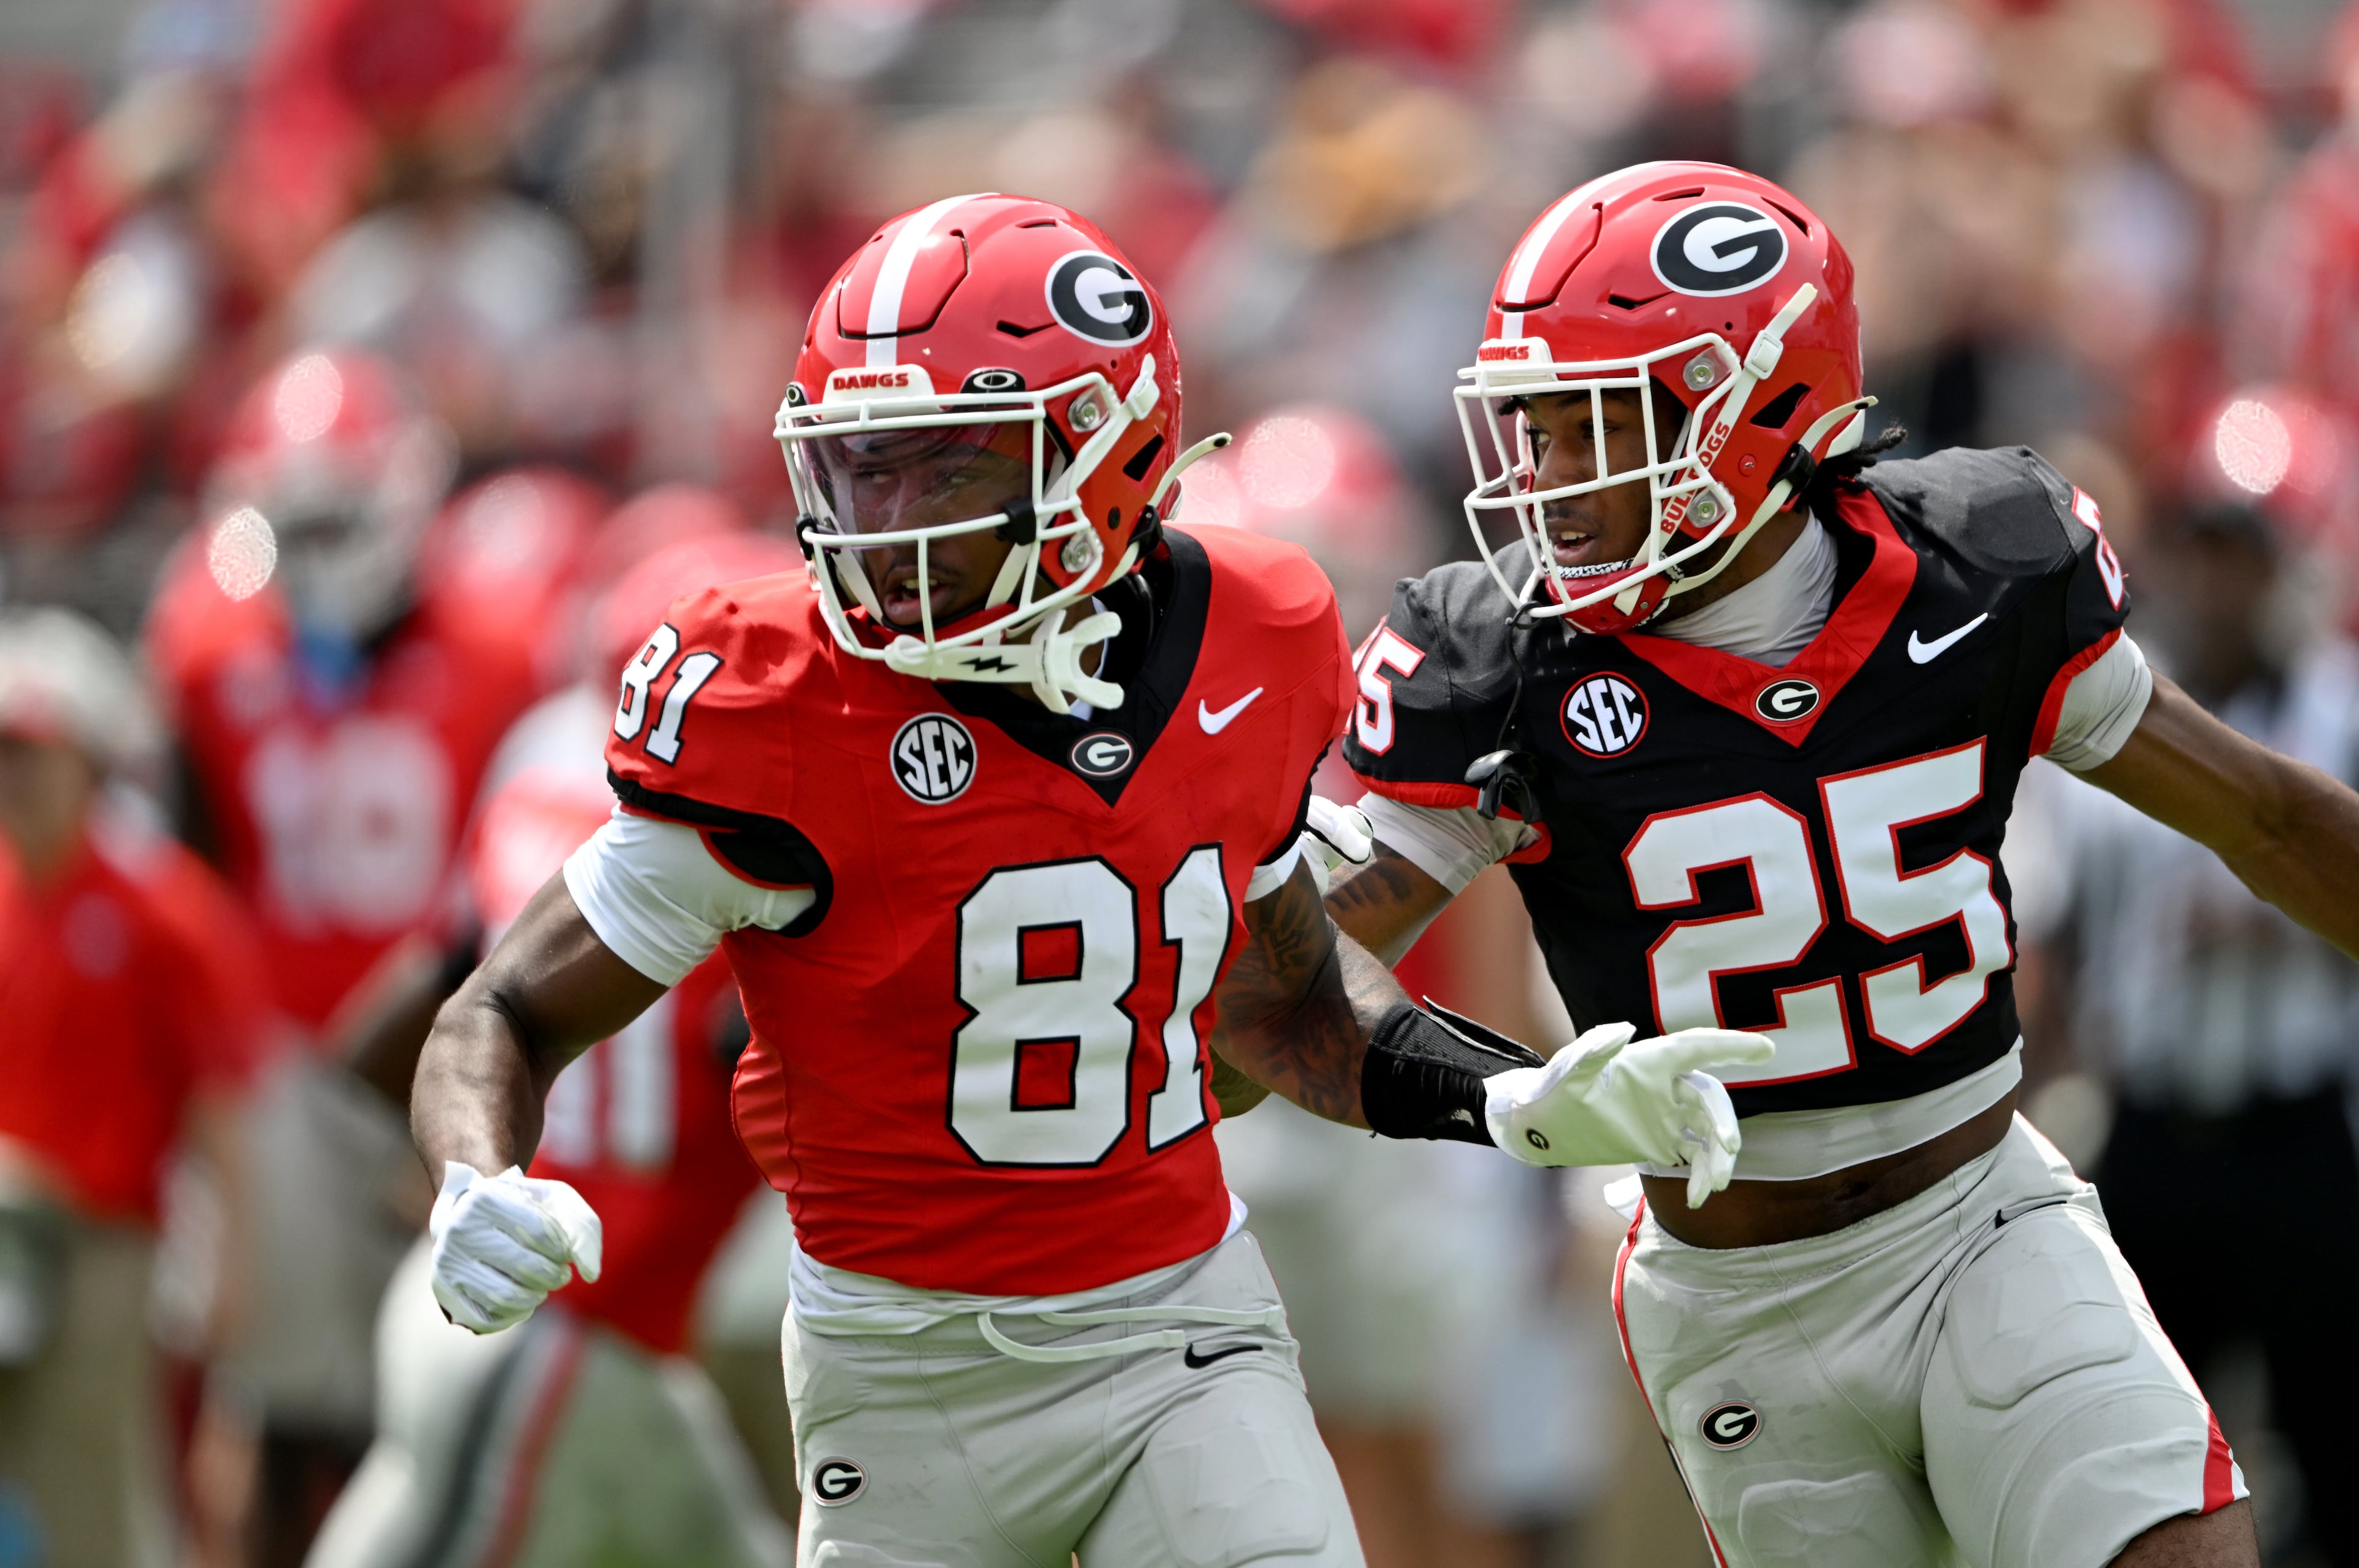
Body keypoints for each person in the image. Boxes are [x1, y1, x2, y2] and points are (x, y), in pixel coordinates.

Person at [404, 193, 1773, 1568]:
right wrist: (473, 1177)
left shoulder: (1259, 629)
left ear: (1103, 457)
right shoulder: (774, 699)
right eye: (859, 465)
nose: (880, 522)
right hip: (898, 1368)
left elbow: (1279, 1016)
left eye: (940, 470)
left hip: (1178, 1320)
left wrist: (1508, 1098)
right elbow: (502, 1011)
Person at [1318, 160, 2359, 1568]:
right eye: (1537, 429)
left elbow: (2266, 817)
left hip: (1984, 1215)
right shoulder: (1501, 666)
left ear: (1764, 413)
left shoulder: (1977, 570)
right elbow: (1288, 981)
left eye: (1599, 428)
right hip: (1736, 1293)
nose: (1552, 481)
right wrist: (1497, 1092)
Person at [143, 349, 592, 1556]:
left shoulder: (503, 644)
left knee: (458, 1373)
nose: (317, 546)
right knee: (282, 1395)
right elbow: (194, 868)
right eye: (294, 520)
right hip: (284, 1060)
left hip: (449, 1041)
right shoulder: (208, 636)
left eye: (339, 514)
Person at [307, 525, 800, 1568]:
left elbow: (409, 1012)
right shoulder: (765, 856)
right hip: (572, 1343)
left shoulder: (539, 771)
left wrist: (441, 1178)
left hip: (493, 1305)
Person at [2013, 495, 2359, 1565]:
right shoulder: (2112, 706)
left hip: (2298, 1126)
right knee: (2140, 1452)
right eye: (2202, 558)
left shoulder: (2341, 710)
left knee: (2338, 1444)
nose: (2219, 590)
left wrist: (2285, 919)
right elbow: (2058, 935)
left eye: (2240, 562)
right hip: (2155, 1126)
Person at [0, 608, 265, 1568]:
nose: (15, 777)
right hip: (8, 1225)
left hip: (103, 1246)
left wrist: (231, 1265)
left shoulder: (160, 905)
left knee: (91, 1498)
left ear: (92, 756)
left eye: (34, 751)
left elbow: (221, 1101)